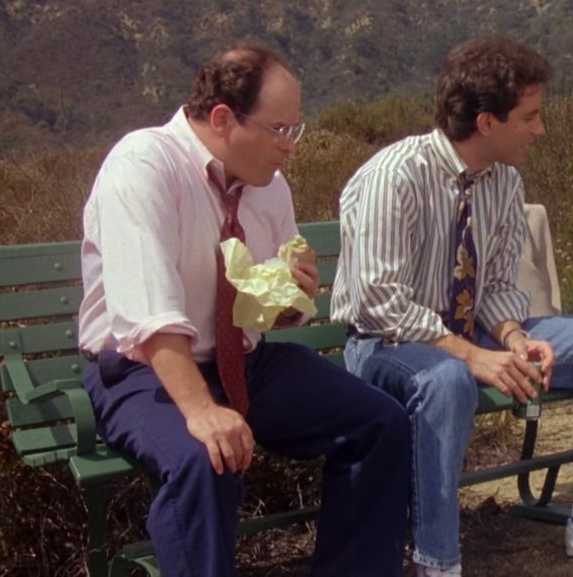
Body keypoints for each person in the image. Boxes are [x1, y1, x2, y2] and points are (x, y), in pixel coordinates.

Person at [331, 35, 573, 576]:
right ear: (486, 122)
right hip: (387, 346)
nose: (540, 130)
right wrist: (472, 357)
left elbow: (495, 284)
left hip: (464, 334)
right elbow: (378, 302)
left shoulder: (503, 182)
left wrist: (515, 338)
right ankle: (438, 562)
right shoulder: (395, 176)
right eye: (529, 117)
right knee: (446, 380)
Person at [77, 43, 411, 576]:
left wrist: (289, 299)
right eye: (279, 129)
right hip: (145, 370)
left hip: (242, 362)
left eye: (295, 129)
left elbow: (260, 309)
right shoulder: (143, 166)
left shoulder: (268, 188)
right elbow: (148, 313)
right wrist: (201, 410)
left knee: (380, 422)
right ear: (222, 119)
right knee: (204, 459)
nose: (290, 146)